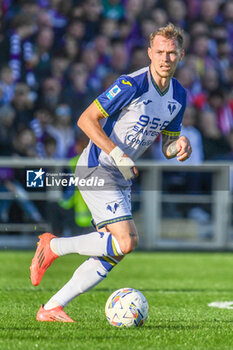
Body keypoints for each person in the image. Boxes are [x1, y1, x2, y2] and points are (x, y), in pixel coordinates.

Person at [30, 23, 192, 322]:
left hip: (120, 175)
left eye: (171, 53)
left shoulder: (179, 95)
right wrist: (117, 154)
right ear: (149, 53)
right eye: (159, 52)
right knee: (127, 241)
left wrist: (179, 145)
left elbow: (168, 143)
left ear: (180, 55)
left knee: (114, 251)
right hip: (98, 165)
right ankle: (52, 245)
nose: (165, 59)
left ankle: (52, 307)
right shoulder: (131, 85)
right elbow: (86, 119)